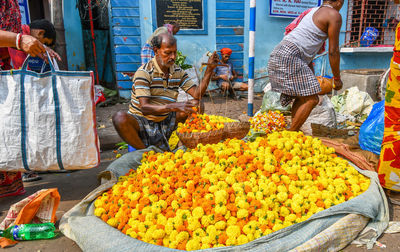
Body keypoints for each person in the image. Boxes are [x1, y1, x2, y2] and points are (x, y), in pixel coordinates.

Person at [113, 33, 219, 151]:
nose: (173, 57)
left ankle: (183, 143)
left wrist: (209, 70)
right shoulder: (144, 72)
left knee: (196, 105)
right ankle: (146, 153)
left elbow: (197, 94)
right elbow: (145, 108)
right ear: (156, 51)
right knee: (119, 118)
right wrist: (172, 106)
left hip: (165, 121)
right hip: (143, 121)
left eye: (174, 52)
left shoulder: (177, 71)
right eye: (167, 53)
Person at [267, 0, 344, 131]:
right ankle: (290, 134)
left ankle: (293, 131)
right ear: (339, 2)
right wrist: (337, 78)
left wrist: (311, 76)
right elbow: (333, 51)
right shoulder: (333, 15)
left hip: (280, 53)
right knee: (311, 99)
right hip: (290, 55)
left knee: (303, 96)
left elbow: (306, 51)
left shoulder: (313, 11)